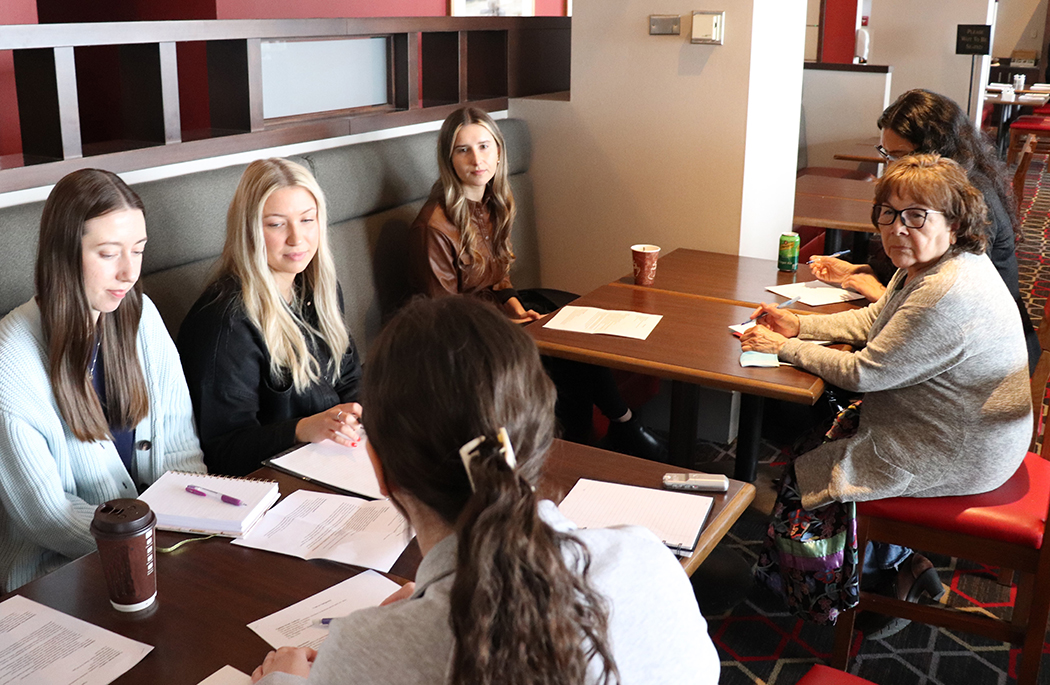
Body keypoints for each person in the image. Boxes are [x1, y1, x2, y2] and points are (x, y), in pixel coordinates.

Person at [249, 296, 720, 685]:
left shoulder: (363, 654)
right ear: (540, 438)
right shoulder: (647, 561)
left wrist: (281, 680)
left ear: (381, 470)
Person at [741, 155, 1031, 636]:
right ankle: (894, 562)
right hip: (958, 427)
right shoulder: (931, 264)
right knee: (815, 439)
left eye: (917, 215)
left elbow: (865, 373)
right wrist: (802, 326)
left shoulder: (947, 291)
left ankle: (866, 584)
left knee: (811, 467)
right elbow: (876, 323)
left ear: (954, 222)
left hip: (963, 449)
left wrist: (785, 347)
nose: (897, 228)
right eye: (888, 214)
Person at [409, 107, 662, 460]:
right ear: (448, 159)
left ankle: (610, 432)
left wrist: (514, 306)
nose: (476, 159)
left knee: (579, 333)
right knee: (562, 359)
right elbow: (443, 317)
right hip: (462, 340)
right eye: (462, 149)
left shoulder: (492, 203)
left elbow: (499, 276)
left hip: (495, 316)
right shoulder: (434, 227)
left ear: (498, 153)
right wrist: (505, 322)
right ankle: (616, 432)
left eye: (484, 146)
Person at [0, 169, 205, 591]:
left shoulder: (142, 316)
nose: (129, 273)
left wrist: (196, 532)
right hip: (59, 574)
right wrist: (147, 547)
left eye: (139, 250)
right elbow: (47, 516)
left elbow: (182, 451)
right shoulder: (11, 358)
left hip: (159, 551)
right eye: (109, 253)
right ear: (63, 254)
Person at [810, 89, 1040, 371]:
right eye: (887, 155)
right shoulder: (949, 187)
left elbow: (951, 302)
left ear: (934, 152)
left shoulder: (968, 199)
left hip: (987, 358)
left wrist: (881, 293)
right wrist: (869, 272)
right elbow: (927, 270)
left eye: (899, 156)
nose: (891, 167)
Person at [178, 159, 363, 476]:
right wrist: (302, 429)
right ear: (248, 230)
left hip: (333, 460)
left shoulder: (320, 288)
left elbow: (349, 380)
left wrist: (357, 415)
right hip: (271, 484)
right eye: (277, 224)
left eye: (307, 219)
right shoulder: (226, 319)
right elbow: (223, 451)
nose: (297, 238)